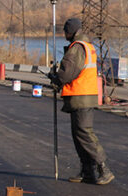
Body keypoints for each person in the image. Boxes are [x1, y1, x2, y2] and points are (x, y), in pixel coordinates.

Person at [49, 17, 115, 186]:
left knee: (84, 133)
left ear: (72, 31)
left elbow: (67, 72)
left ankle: (103, 168)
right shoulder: (87, 46)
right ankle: (87, 171)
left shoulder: (77, 48)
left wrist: (57, 78)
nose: (65, 34)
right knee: (78, 135)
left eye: (66, 31)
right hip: (83, 96)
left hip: (82, 96)